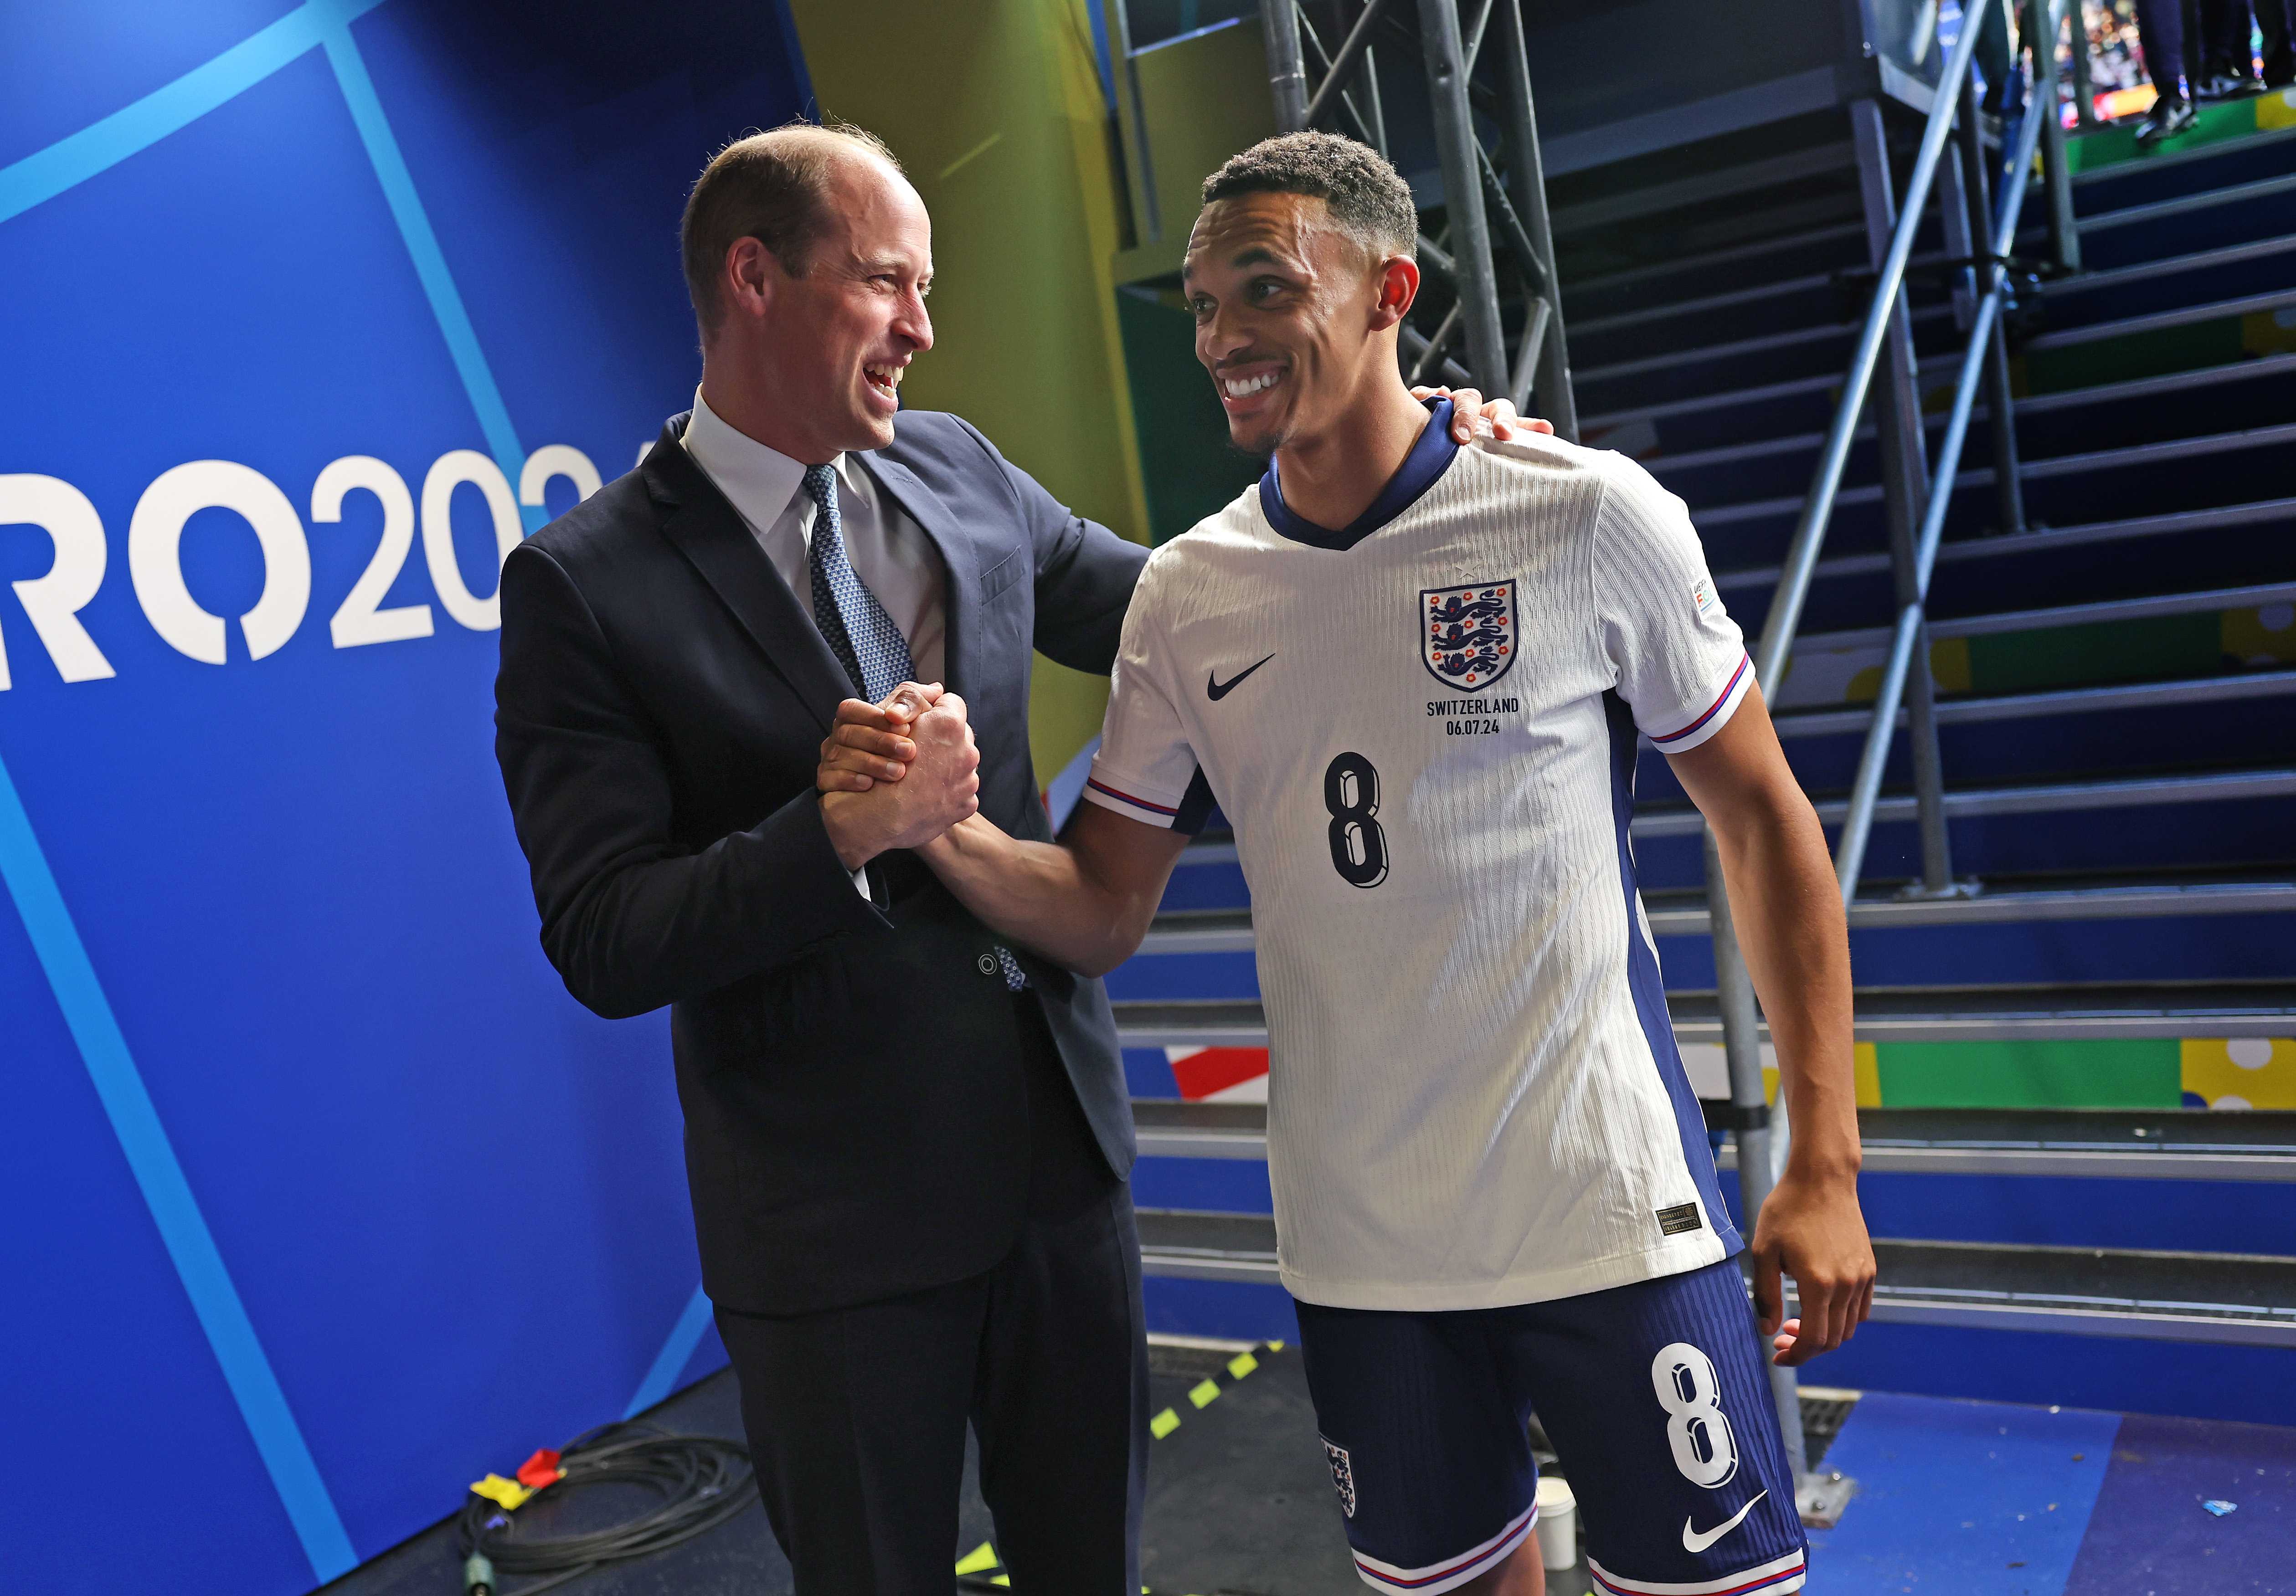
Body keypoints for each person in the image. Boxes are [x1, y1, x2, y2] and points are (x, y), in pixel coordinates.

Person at [823, 132, 1874, 1596]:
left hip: (1610, 1213)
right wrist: (940, 825)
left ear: (1390, 288)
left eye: (1263, 289)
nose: (1223, 338)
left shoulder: (1585, 512)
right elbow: (1104, 908)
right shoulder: (1187, 598)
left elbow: (1762, 819)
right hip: (1363, 1256)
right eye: (1198, 307)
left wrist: (1823, 1160)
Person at [494, 122, 1529, 1596]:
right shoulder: (584, 587)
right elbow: (603, 936)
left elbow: (1199, 617)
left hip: (1060, 1177)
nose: (923, 326)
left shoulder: (959, 468)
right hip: (834, 1236)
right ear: (756, 279)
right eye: (886, 284)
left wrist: (1419, 465)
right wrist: (835, 832)